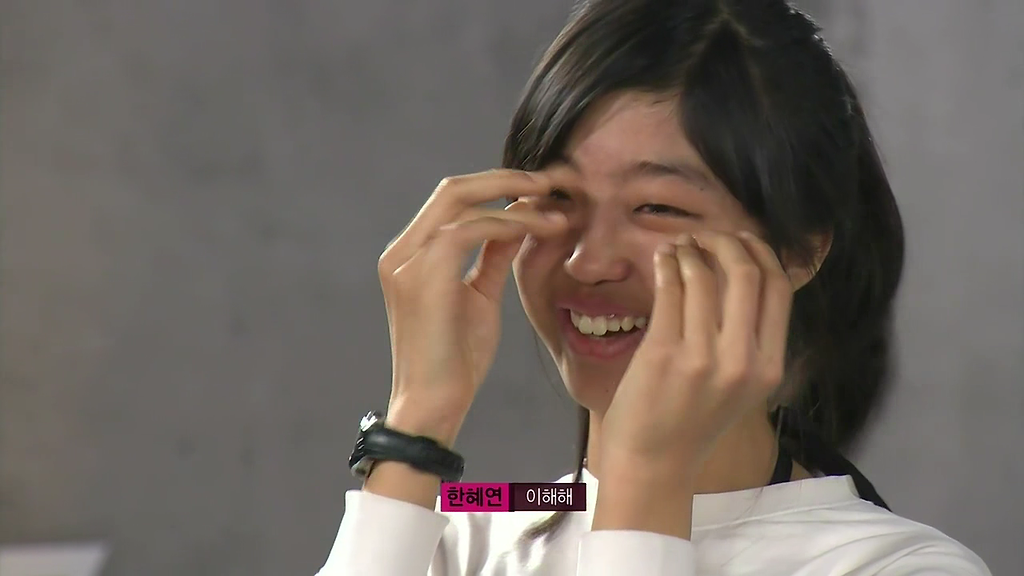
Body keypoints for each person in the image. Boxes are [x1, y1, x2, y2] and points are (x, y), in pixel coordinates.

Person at [315, 0, 991, 574]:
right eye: (558, 196)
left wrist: (646, 480)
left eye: (657, 207)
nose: (587, 261)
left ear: (799, 251)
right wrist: (415, 427)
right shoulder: (466, 533)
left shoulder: (896, 566)